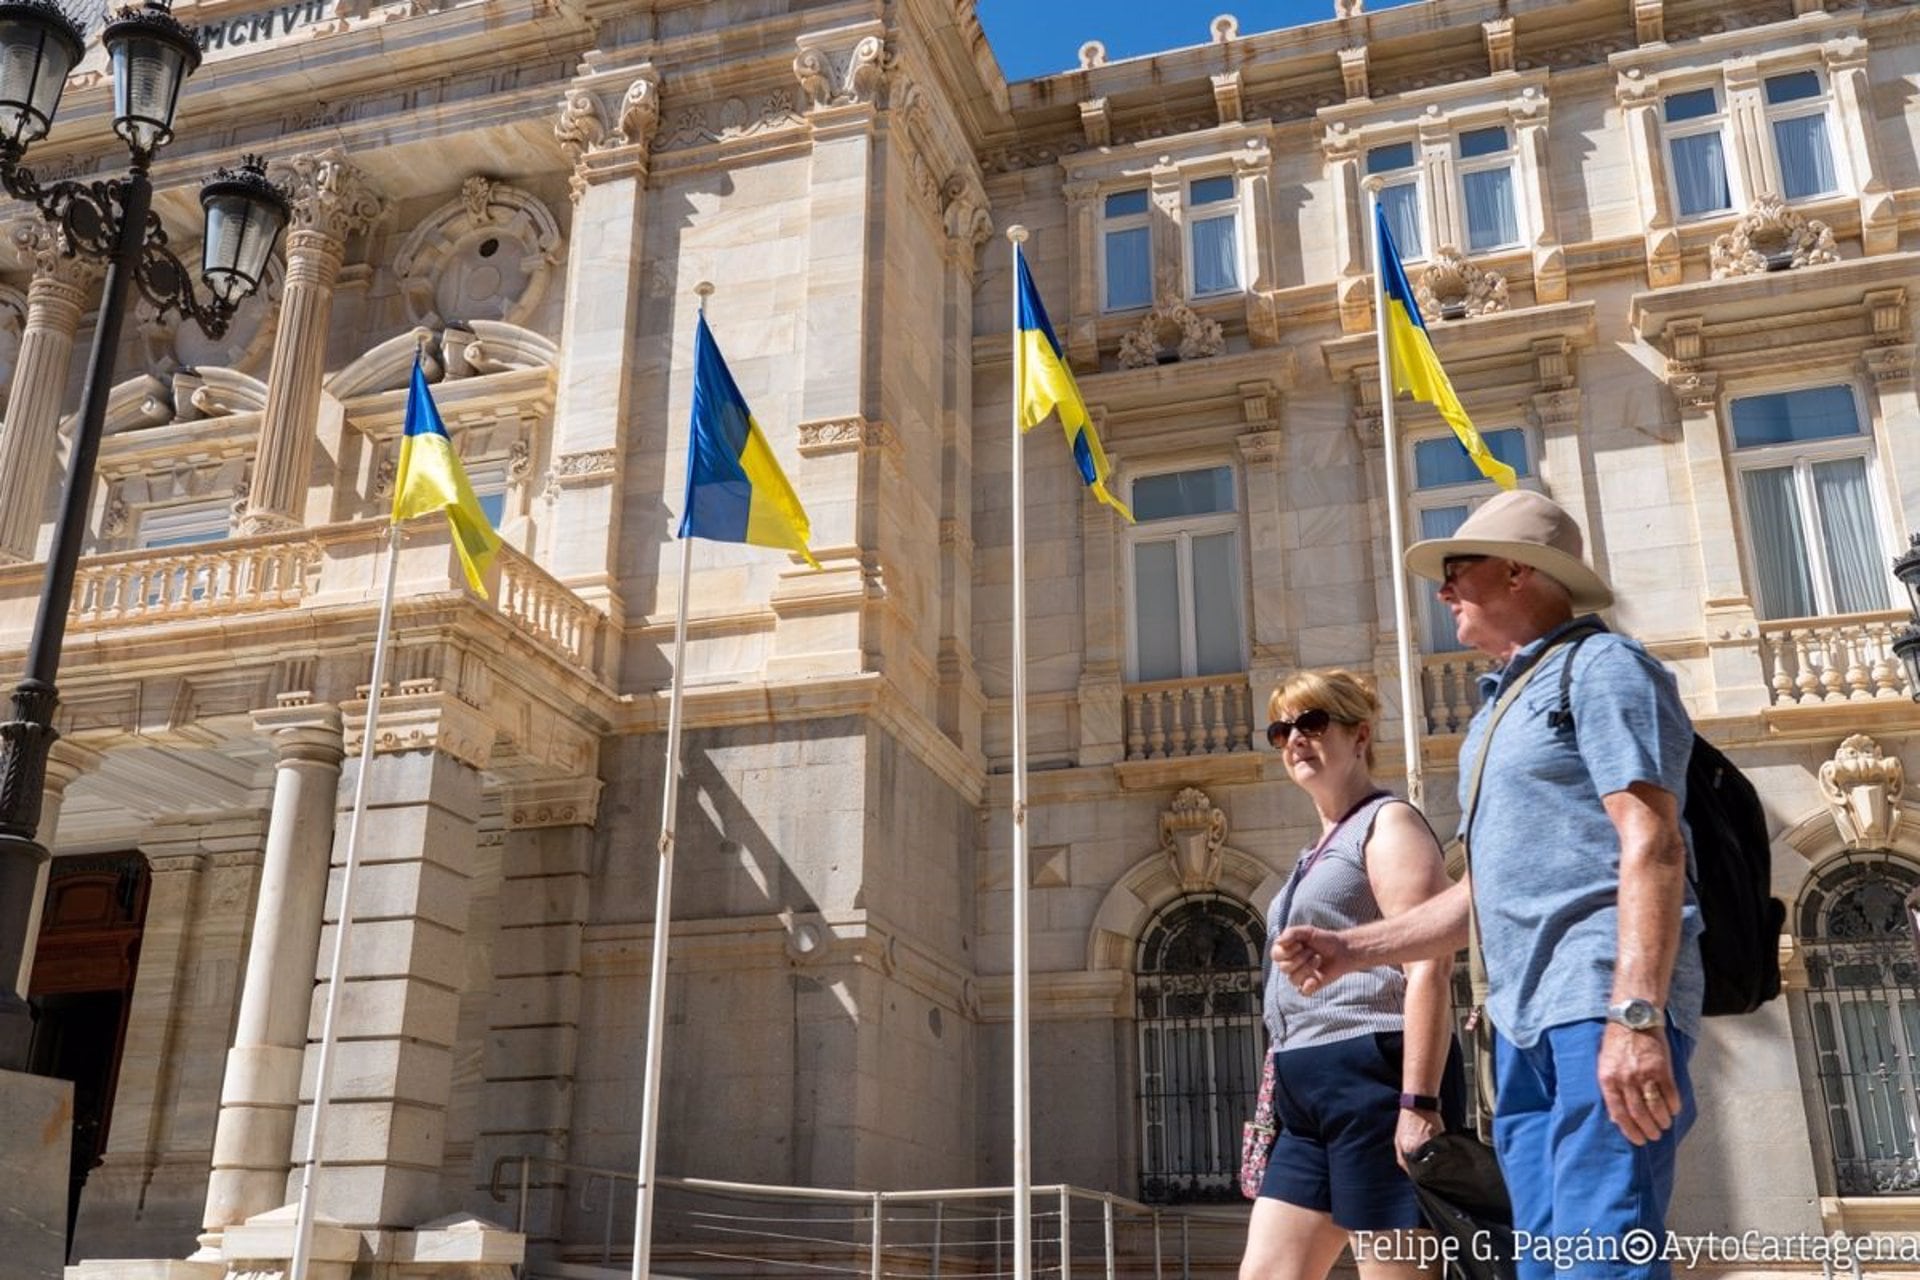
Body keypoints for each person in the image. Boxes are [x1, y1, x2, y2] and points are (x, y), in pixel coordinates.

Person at [1273, 489, 1703, 1280]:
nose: (1442, 592)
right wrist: (1350, 947)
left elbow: (1653, 841)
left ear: (1517, 572)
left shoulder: (1604, 668)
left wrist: (1637, 1016)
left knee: (1600, 1256)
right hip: (1520, 1027)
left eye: (1456, 570)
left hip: (1597, 1006)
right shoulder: (1495, 716)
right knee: (1539, 1268)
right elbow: (1484, 892)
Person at [1241, 668, 1464, 1280]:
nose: (1294, 739)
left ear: (1360, 735)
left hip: (1376, 1078)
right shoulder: (1313, 850)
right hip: (1303, 1091)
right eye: (1281, 729)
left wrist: (1419, 1102)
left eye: (1312, 724)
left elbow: (1431, 963)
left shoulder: (1387, 824)